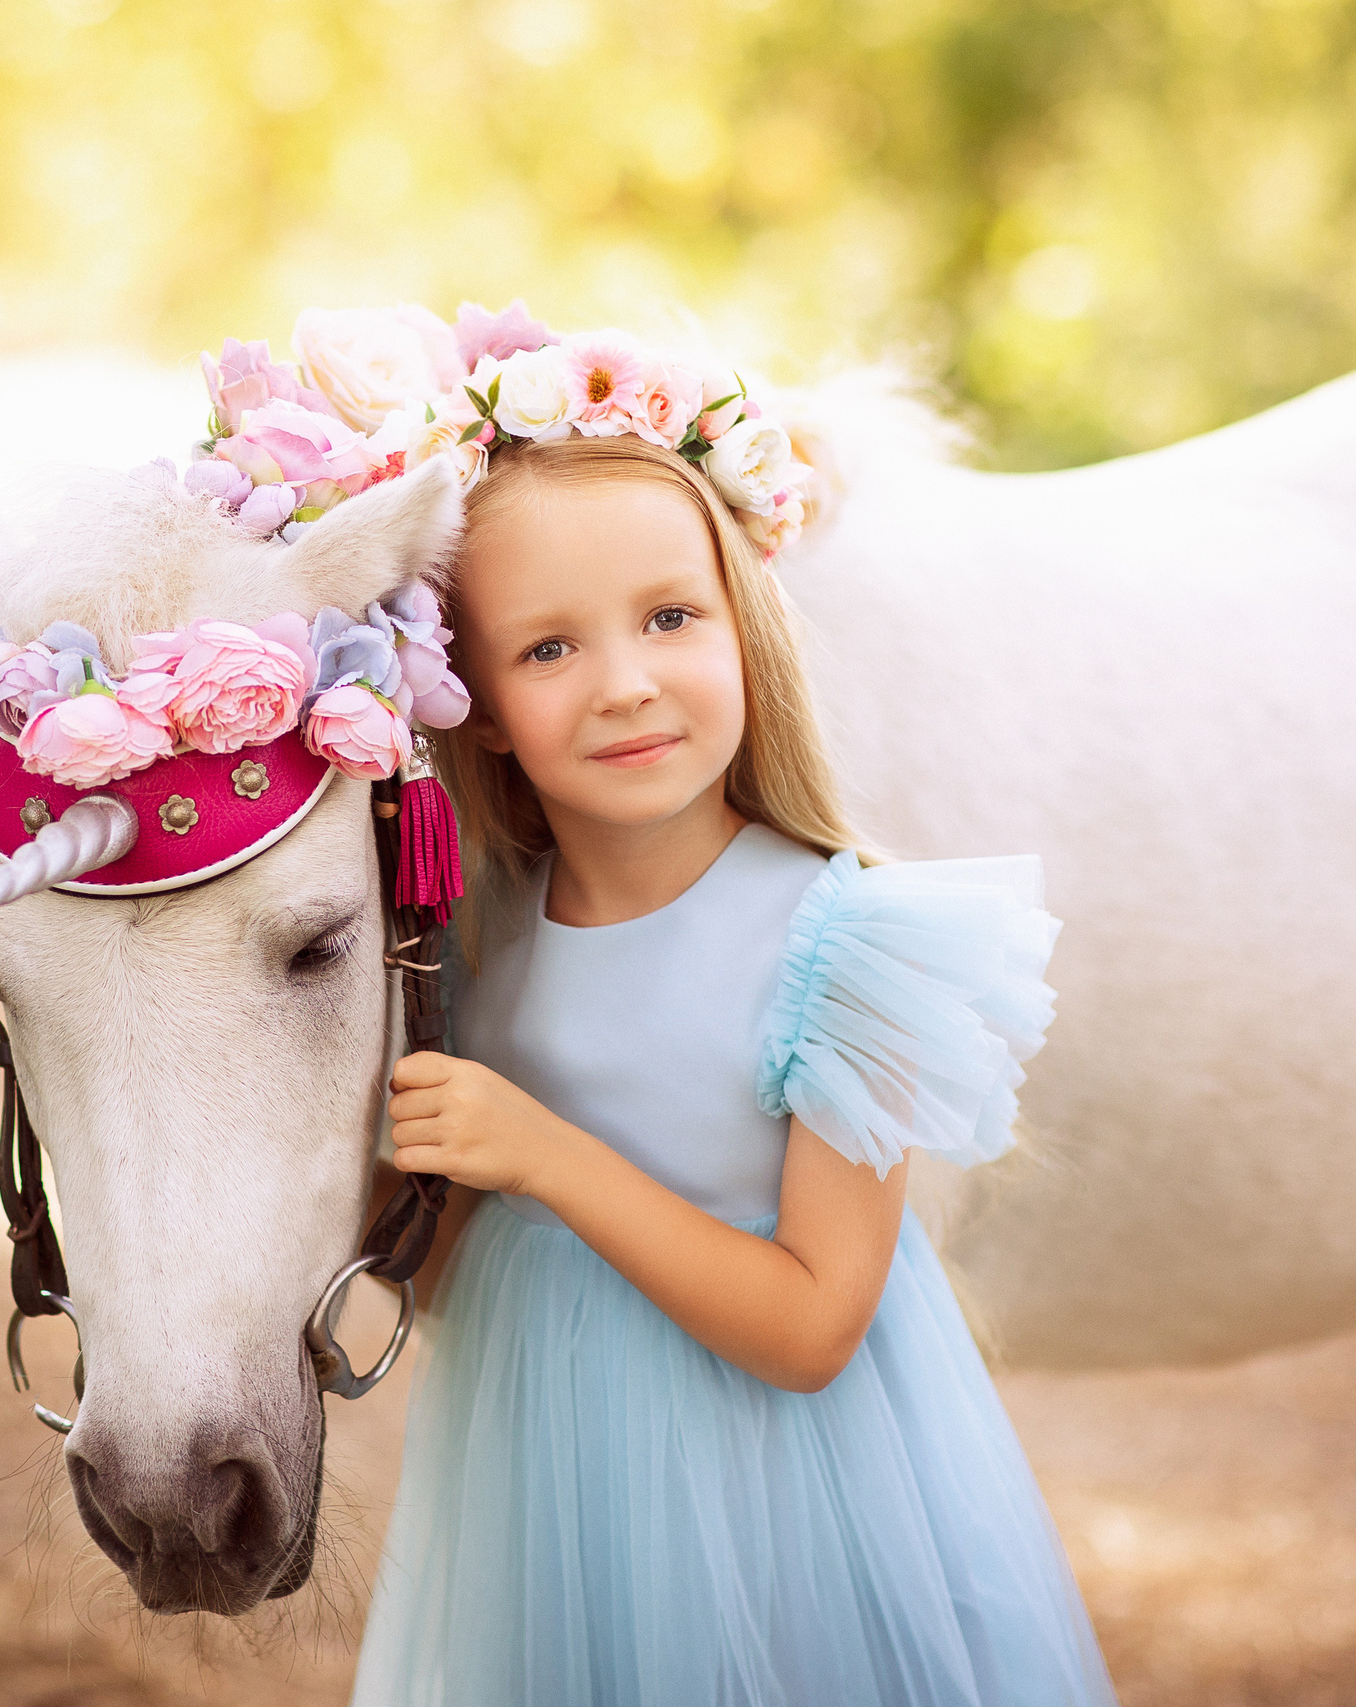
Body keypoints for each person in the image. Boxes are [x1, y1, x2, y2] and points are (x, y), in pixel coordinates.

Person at [350, 428, 1119, 1705]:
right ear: (474, 706)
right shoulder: (470, 943)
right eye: (549, 648)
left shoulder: (850, 940)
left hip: (789, 1502)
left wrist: (542, 1155)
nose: (626, 684)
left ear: (743, 627)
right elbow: (446, 1281)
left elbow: (814, 1328)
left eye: (668, 618)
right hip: (552, 1498)